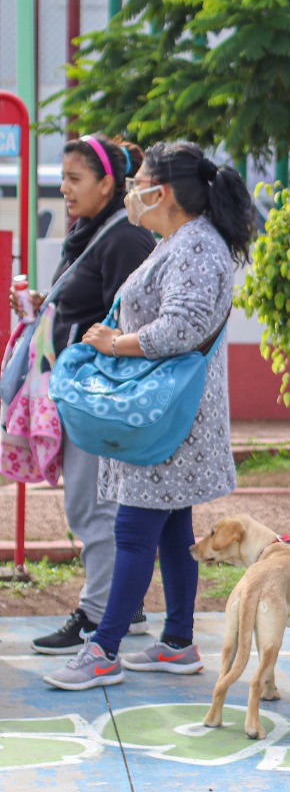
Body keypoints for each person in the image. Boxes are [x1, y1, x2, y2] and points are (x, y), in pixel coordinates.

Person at [44, 141, 256, 690]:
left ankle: (105, 648)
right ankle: (178, 643)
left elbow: (180, 327)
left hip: (163, 420)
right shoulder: (186, 241)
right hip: (169, 415)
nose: (133, 190)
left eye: (139, 181)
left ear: (161, 192)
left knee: (134, 530)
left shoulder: (194, 248)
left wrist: (117, 344)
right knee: (170, 531)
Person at [18, 135, 157, 655]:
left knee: (90, 507)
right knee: (98, 505)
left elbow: (123, 318)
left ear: (106, 183)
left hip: (97, 397)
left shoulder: (122, 239)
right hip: (85, 392)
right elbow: (85, 304)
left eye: (75, 180)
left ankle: (101, 615)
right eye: (62, 179)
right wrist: (46, 304)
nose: (65, 190)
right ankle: (126, 607)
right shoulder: (92, 232)